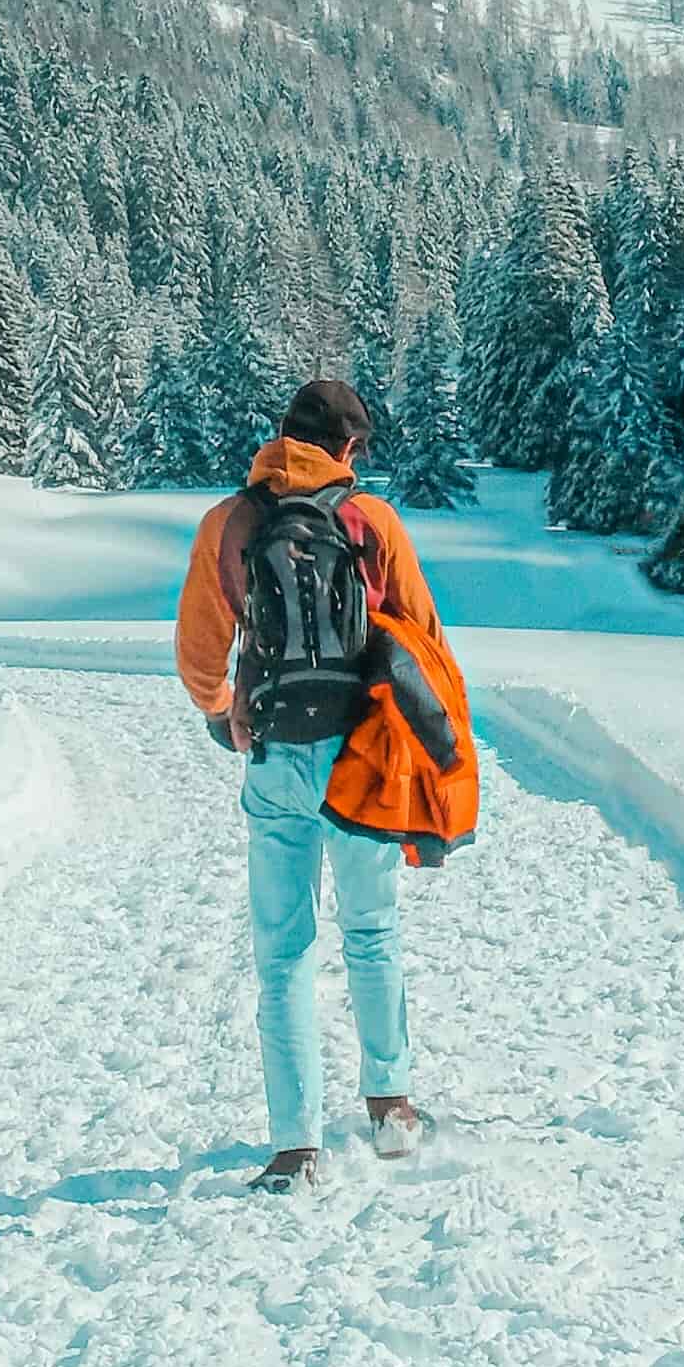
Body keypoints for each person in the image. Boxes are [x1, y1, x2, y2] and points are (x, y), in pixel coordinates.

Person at [173, 374, 480, 1189]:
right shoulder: (371, 521)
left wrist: (221, 714)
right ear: (346, 449)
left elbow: (199, 654)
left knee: (284, 953)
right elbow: (425, 637)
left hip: (275, 751)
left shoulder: (231, 524)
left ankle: (294, 1147)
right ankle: (390, 1112)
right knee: (371, 932)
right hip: (363, 761)